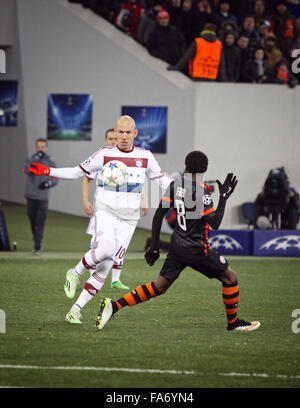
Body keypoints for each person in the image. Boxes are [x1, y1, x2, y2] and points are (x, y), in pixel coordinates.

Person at [28, 115, 172, 324]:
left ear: (135, 134)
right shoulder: (104, 155)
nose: (123, 137)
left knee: (103, 270)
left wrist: (186, 189)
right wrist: (48, 171)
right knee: (104, 249)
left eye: (127, 133)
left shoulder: (146, 157)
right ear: (115, 132)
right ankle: (75, 272)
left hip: (129, 220)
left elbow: (163, 181)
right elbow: (77, 172)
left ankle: (75, 311)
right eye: (119, 132)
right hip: (106, 212)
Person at [96, 150, 261, 332]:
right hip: (196, 249)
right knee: (230, 277)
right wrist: (223, 198)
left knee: (159, 286)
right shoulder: (201, 191)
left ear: (186, 165)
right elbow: (214, 223)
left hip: (177, 246)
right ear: (205, 169)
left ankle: (114, 306)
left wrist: (155, 247)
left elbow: (158, 215)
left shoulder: (176, 185)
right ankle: (233, 322)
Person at [82, 127, 149, 290]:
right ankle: (91, 276)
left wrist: (144, 199)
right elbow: (86, 178)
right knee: (98, 244)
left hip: (122, 210)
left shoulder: (125, 161)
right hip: (104, 210)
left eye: (115, 138)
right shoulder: (102, 158)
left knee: (119, 244)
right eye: (111, 139)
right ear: (106, 141)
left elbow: (134, 184)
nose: (114, 141)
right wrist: (85, 201)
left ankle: (115, 279)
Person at [23, 139, 58, 255]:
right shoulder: (31, 159)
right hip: (31, 195)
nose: (40, 149)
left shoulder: (50, 161)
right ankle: (37, 241)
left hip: (43, 197)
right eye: (38, 147)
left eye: (43, 147)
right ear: (35, 147)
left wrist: (48, 183)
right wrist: (36, 160)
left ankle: (37, 246)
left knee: (40, 221)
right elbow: (26, 170)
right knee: (32, 220)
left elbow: (56, 177)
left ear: (46, 148)